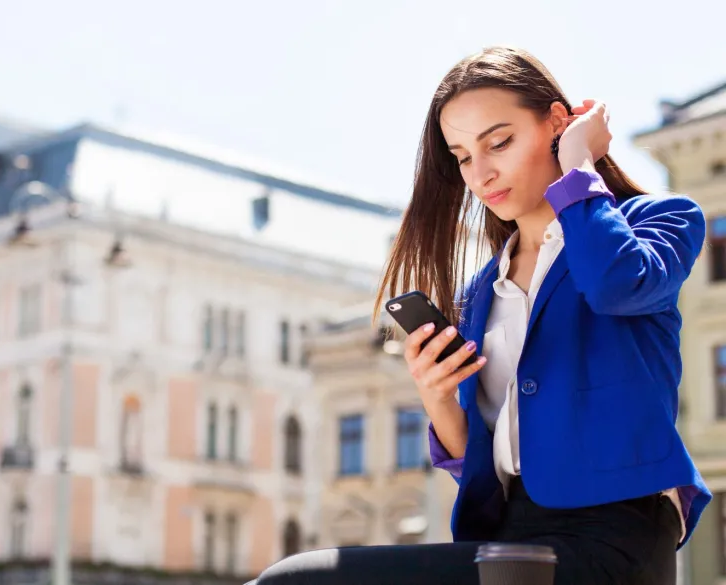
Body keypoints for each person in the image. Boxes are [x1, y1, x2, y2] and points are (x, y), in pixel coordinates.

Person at [247, 46, 712, 585]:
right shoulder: (481, 290)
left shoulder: (661, 221)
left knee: (297, 581)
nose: (481, 172)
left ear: (558, 123)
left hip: (610, 540)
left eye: (499, 142)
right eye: (463, 156)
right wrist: (438, 396)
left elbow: (615, 285)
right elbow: (481, 462)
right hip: (509, 539)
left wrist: (579, 168)